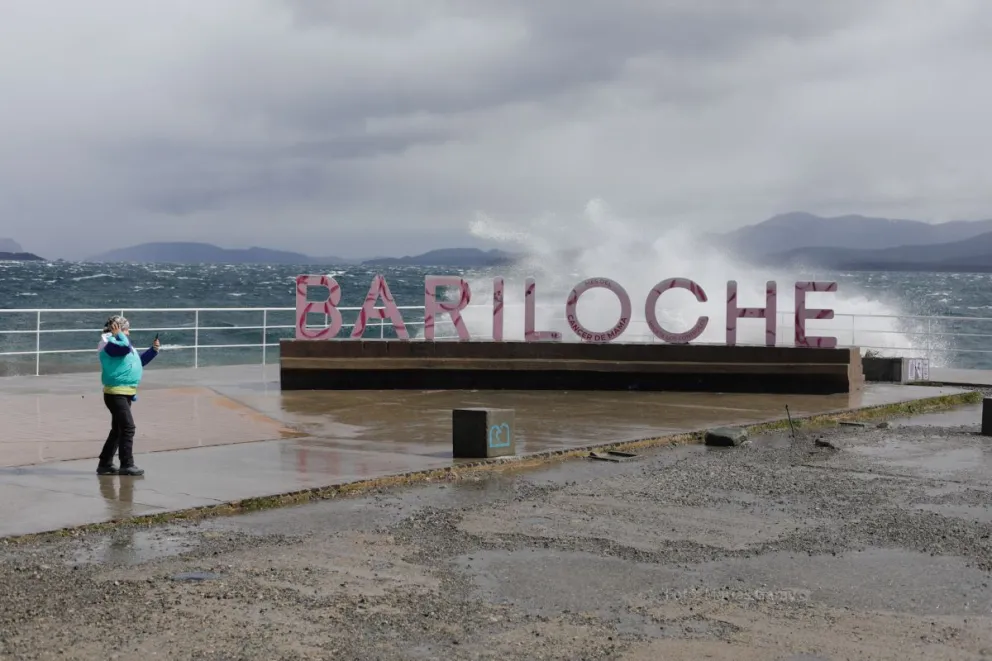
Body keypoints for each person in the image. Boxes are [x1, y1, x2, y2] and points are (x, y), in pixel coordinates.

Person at [96, 315, 159, 476]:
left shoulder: (120, 342)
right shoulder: (109, 344)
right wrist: (119, 335)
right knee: (128, 428)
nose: (128, 332)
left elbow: (138, 362)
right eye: (126, 329)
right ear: (116, 329)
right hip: (115, 393)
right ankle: (126, 465)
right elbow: (123, 348)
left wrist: (153, 351)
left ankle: (105, 463)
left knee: (118, 429)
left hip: (125, 392)